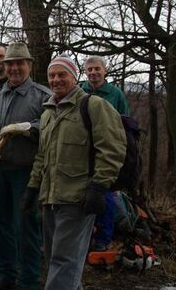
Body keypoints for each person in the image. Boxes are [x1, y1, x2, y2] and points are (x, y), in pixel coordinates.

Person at [24, 55, 126, 290]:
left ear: (74, 77)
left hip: (78, 198)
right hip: (50, 199)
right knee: (55, 260)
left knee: (64, 261)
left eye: (62, 75)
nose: (56, 80)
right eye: (52, 75)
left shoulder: (93, 105)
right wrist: (32, 187)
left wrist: (99, 187)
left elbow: (112, 149)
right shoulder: (48, 112)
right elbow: (42, 156)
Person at [0, 42, 51, 290]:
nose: (15, 68)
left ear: (29, 65)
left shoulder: (43, 96)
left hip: (27, 172)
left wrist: (30, 128)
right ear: (4, 67)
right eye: (10, 64)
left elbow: (52, 128)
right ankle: (6, 275)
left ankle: (29, 280)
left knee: (26, 227)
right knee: (1, 223)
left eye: (20, 63)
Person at [80, 56, 130, 251]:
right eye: (89, 69)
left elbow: (125, 124)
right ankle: (84, 238)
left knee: (105, 196)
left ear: (105, 71)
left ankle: (103, 239)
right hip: (82, 151)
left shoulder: (115, 94)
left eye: (97, 69)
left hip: (104, 152)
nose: (93, 73)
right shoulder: (80, 91)